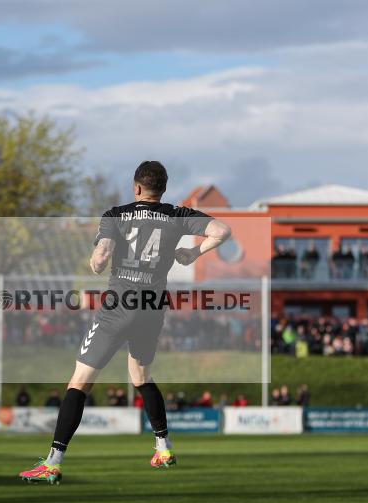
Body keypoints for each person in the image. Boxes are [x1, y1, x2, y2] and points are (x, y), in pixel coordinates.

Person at [20, 160, 231, 484]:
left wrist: (97, 261)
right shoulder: (177, 215)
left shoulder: (116, 215)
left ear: (136, 188)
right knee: (141, 375)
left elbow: (102, 254)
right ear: (162, 189)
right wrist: (193, 254)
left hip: (119, 306)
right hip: (152, 308)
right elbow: (222, 230)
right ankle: (163, 446)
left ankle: (53, 461)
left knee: (79, 383)